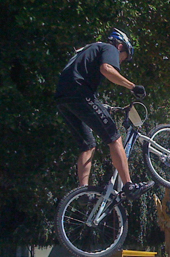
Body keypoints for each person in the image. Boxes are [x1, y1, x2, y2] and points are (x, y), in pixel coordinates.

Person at [55, 28, 153, 199]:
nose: (121, 62)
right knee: (114, 138)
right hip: (80, 93)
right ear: (121, 46)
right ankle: (128, 186)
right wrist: (133, 86)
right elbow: (107, 69)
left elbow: (82, 83)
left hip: (64, 99)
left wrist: (103, 107)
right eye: (125, 57)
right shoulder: (109, 48)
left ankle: (82, 192)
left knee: (88, 145)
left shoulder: (88, 50)